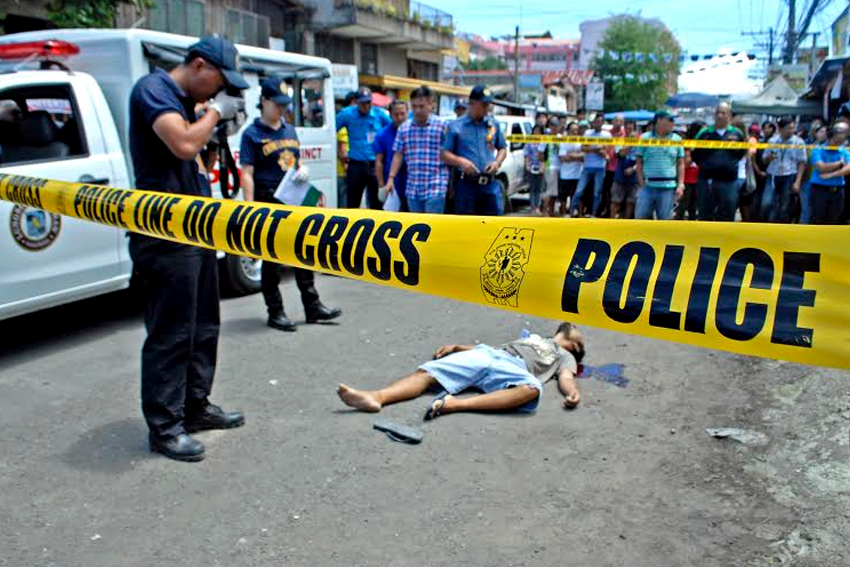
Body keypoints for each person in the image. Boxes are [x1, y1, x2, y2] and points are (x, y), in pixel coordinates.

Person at [128, 37, 248, 462]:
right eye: (218, 82)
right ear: (199, 65)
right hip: (163, 233)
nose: (219, 92)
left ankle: (195, 407)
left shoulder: (188, 102)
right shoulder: (153, 90)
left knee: (204, 327)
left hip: (195, 229)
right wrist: (214, 112)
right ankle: (164, 427)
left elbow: (197, 162)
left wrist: (217, 132)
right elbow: (180, 144)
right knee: (172, 333)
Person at [240, 77, 342, 332]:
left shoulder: (289, 129)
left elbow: (294, 162)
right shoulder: (252, 135)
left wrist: (302, 169)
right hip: (267, 198)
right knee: (271, 258)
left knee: (302, 253)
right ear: (264, 102)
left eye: (285, 105)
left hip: (292, 198)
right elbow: (247, 173)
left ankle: (313, 307)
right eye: (277, 104)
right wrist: (250, 208)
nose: (282, 109)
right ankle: (275, 312)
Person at [336, 322, 585, 418]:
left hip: (515, 369)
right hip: (491, 354)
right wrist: (458, 347)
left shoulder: (564, 355)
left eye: (576, 330)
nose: (572, 325)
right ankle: (376, 397)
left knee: (533, 388)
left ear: (575, 345)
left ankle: (456, 404)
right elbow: (492, 348)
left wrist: (571, 392)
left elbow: (565, 377)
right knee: (428, 372)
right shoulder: (532, 338)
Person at [441, 86, 507, 215]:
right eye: (484, 104)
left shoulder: (493, 125)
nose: (487, 108)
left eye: (488, 104)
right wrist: (461, 162)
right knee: (467, 228)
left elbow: (502, 148)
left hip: (490, 184)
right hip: (466, 184)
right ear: (472, 103)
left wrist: (496, 162)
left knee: (494, 227)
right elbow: (444, 154)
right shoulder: (456, 127)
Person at [386, 86, 450, 214]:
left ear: (431, 104)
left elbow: (450, 154)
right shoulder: (404, 128)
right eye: (414, 106)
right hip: (413, 187)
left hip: (436, 185)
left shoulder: (443, 126)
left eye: (421, 106)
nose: (417, 110)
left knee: (432, 226)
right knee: (418, 228)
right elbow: (398, 154)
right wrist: (391, 178)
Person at [336, 86, 390, 209]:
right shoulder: (347, 114)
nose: (366, 106)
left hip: (374, 165)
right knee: (352, 203)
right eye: (362, 103)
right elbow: (330, 130)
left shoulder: (380, 115)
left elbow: (392, 130)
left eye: (368, 102)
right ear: (357, 102)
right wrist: (338, 152)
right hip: (356, 165)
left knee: (376, 203)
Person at [692, 103, 745, 221]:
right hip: (706, 181)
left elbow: (741, 153)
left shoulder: (737, 133)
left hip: (729, 181)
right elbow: (695, 154)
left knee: (727, 214)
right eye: (717, 113)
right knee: (705, 214)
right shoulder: (704, 133)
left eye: (723, 113)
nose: (719, 116)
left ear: (729, 115)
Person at [634, 110, 684, 220]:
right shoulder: (644, 138)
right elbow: (639, 162)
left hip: (668, 188)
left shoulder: (677, 139)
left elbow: (680, 164)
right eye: (670, 119)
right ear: (659, 120)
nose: (673, 123)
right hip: (647, 187)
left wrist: (680, 184)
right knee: (640, 220)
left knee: (664, 222)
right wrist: (641, 182)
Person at [760, 117, 807, 223]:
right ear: (780, 129)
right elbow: (764, 160)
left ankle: (782, 227)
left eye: (792, 128)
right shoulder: (773, 141)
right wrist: (769, 158)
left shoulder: (799, 142)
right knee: (766, 203)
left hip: (789, 175)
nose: (791, 130)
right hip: (773, 175)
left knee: (784, 205)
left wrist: (798, 181)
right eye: (788, 128)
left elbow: (802, 162)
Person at [570, 113, 612, 217]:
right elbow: (583, 148)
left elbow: (606, 151)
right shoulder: (588, 133)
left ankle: (594, 213)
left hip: (600, 167)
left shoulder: (607, 135)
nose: (598, 123)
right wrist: (596, 149)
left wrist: (594, 150)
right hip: (587, 166)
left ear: (603, 122)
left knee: (597, 193)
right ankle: (572, 210)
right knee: (579, 191)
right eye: (596, 121)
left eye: (600, 121)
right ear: (594, 122)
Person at [808, 123, 850, 225]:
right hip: (820, 189)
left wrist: (831, 175)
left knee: (834, 219)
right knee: (817, 218)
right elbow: (821, 167)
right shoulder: (818, 150)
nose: (844, 138)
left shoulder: (844, 151)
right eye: (841, 135)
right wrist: (839, 164)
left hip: (838, 190)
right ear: (833, 136)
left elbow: (848, 169)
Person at [374, 99, 409, 212]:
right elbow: (379, 161)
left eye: (402, 114)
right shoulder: (382, 134)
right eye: (396, 114)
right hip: (392, 184)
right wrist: (381, 185)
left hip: (412, 182)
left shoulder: (415, 130)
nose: (399, 117)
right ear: (390, 114)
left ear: (407, 113)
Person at [674, 121, 703, 220]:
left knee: (693, 208)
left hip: (698, 179)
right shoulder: (687, 144)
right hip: (687, 179)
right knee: (682, 206)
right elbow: (685, 163)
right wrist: (693, 153)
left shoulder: (702, 143)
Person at [799, 124, 828, 224]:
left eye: (826, 132)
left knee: (817, 212)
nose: (823, 134)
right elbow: (803, 164)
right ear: (816, 134)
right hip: (807, 182)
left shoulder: (830, 149)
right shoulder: (808, 147)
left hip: (821, 184)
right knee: (806, 210)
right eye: (821, 132)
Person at [555, 121, 583, 217]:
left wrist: (570, 155)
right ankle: (563, 215)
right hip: (565, 175)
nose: (575, 132)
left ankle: (578, 215)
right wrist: (577, 156)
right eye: (573, 130)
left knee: (577, 196)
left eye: (576, 130)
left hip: (578, 174)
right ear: (568, 131)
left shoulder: (581, 141)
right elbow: (563, 158)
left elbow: (584, 156)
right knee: (563, 197)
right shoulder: (563, 142)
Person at [602, 113, 626, 217]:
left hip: (620, 167)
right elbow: (602, 147)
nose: (619, 123)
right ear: (612, 122)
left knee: (619, 192)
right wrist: (605, 154)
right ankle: (607, 211)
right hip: (608, 166)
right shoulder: (607, 134)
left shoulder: (625, 135)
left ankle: (619, 213)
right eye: (617, 121)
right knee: (607, 191)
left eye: (621, 121)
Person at [336, 91, 356, 208]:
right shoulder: (345, 123)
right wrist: (348, 167)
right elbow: (343, 151)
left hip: (343, 171)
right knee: (345, 203)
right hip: (344, 172)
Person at [610, 145, 638, 219]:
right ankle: (611, 223)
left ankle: (627, 223)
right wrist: (629, 145)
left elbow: (643, 160)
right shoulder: (620, 143)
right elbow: (619, 154)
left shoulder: (641, 146)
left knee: (630, 203)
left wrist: (633, 169)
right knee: (616, 202)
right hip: (619, 178)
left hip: (633, 179)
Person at [524, 125, 546, 215]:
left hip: (541, 166)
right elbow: (526, 154)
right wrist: (527, 166)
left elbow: (546, 155)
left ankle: (538, 207)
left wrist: (543, 167)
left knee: (539, 188)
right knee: (532, 188)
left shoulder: (544, 141)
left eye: (538, 131)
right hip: (531, 166)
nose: (536, 133)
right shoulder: (529, 142)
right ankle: (532, 207)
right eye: (535, 131)